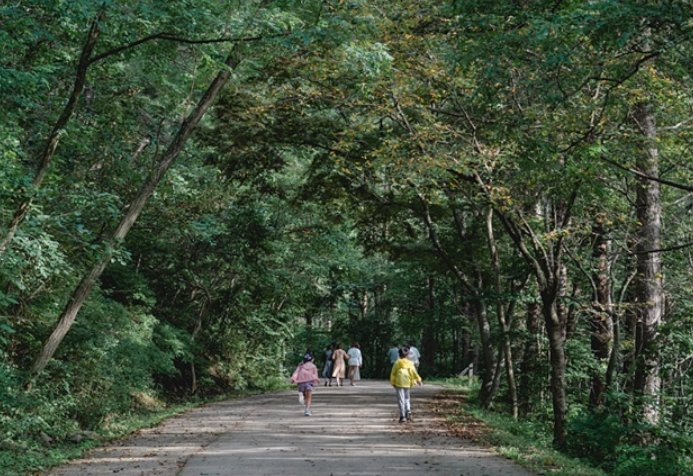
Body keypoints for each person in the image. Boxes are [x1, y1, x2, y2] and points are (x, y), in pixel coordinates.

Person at [390, 347, 423, 423]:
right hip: (407, 381)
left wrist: (393, 382)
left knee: (401, 399)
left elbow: (393, 374)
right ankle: (408, 410)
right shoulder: (410, 363)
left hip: (399, 382)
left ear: (399, 355)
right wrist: (418, 380)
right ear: (408, 355)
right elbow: (414, 372)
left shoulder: (397, 363)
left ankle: (402, 416)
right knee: (407, 397)